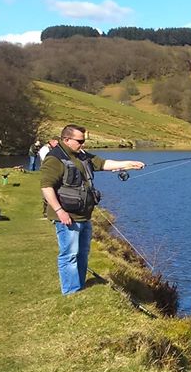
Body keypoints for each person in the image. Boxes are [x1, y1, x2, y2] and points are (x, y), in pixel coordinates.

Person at [40, 124, 144, 295]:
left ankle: (79, 288)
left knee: (82, 253)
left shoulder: (81, 155)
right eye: (79, 141)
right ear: (66, 139)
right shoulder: (55, 159)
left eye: (83, 140)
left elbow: (103, 163)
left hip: (83, 215)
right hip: (66, 216)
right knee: (69, 254)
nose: (83, 144)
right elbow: (46, 187)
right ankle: (71, 292)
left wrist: (129, 164)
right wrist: (60, 211)